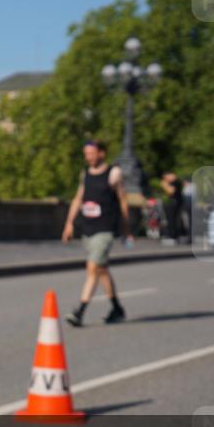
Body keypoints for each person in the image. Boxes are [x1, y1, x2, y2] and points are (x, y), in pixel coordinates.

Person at [61, 139, 132, 327]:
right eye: (86, 154)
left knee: (92, 268)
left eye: (91, 153)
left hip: (106, 229)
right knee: (102, 270)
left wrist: (126, 228)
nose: (88, 157)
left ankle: (80, 311)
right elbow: (78, 198)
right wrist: (69, 223)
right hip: (88, 228)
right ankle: (117, 309)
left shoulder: (114, 174)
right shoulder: (85, 174)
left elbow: (123, 201)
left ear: (102, 153)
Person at [160, 171, 184, 244]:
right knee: (173, 219)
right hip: (174, 203)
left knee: (172, 219)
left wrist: (164, 184)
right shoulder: (176, 182)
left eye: (165, 177)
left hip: (173, 203)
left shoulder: (175, 182)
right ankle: (175, 235)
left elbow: (171, 191)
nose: (165, 179)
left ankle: (173, 236)